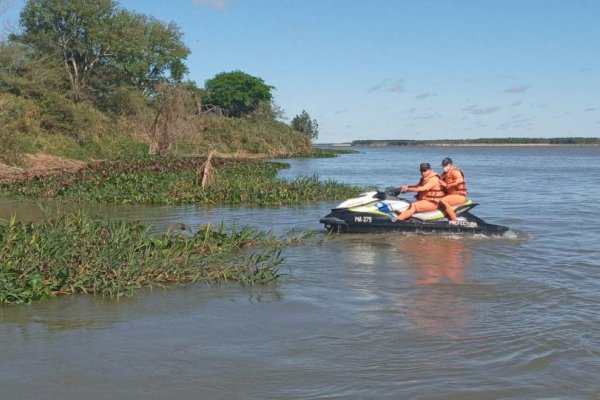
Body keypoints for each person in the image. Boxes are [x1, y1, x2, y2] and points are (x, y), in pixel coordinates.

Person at [438, 157, 468, 222]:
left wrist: (447, 185)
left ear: (450, 165)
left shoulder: (454, 171)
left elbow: (460, 179)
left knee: (443, 201)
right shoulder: (444, 174)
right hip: (450, 196)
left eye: (446, 165)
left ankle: (454, 219)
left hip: (459, 196)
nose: (444, 167)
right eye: (443, 165)